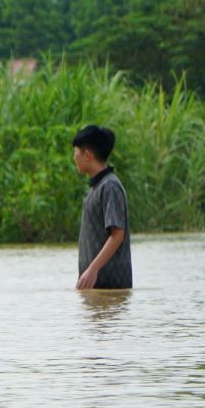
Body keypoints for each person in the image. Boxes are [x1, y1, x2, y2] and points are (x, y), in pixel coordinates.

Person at [73, 124, 132, 290]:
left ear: (87, 155)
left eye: (76, 152)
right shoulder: (96, 188)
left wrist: (93, 269)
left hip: (110, 288)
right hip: (95, 287)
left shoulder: (110, 186)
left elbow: (117, 234)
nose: (74, 157)